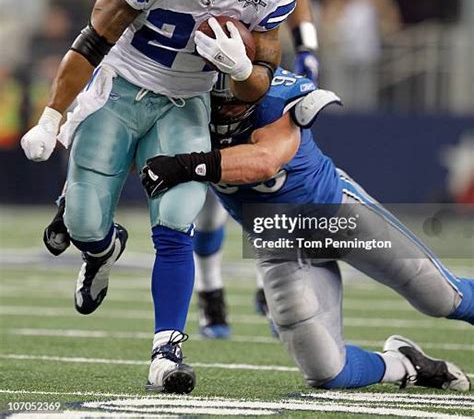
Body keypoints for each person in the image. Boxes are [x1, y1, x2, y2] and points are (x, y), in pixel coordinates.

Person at [20, 0, 299, 393]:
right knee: (84, 220)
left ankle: (166, 351)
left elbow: (257, 87)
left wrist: (240, 70)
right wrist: (53, 114)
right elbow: (93, 40)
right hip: (121, 89)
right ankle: (100, 250)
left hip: (186, 103)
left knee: (176, 221)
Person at [140, 68, 472, 391]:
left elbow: (265, 160)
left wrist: (186, 165)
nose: (230, 106)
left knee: (442, 298)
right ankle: (406, 364)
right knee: (327, 372)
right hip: (278, 242)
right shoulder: (182, 109)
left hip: (334, 215)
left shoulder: (276, 96)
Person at [191, 0, 319, 338]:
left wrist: (308, 48)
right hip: (193, 71)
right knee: (208, 187)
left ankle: (273, 287)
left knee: (265, 182)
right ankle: (210, 292)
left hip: (255, 70)